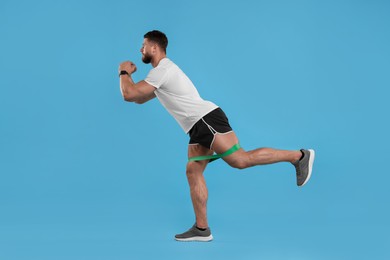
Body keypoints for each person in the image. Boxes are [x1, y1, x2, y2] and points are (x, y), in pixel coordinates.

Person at [118, 30, 315, 242]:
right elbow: (138, 98)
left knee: (240, 160)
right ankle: (202, 229)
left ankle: (299, 156)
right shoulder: (159, 74)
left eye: (144, 45)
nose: (141, 49)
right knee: (193, 171)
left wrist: (123, 72)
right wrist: (130, 79)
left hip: (204, 119)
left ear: (154, 48)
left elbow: (128, 94)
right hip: (196, 125)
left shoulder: (163, 69)